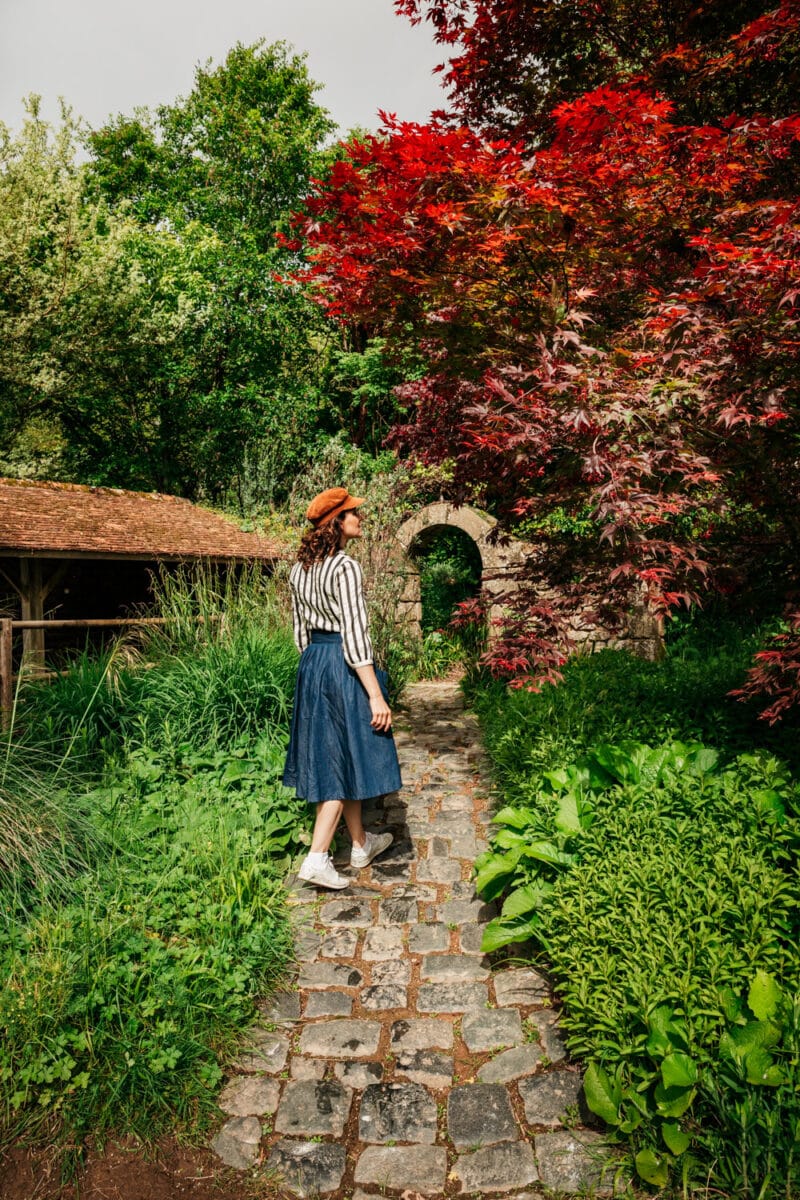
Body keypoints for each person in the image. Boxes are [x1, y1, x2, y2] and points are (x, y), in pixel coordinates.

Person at [283, 487, 402, 889]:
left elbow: (300, 633)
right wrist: (374, 693)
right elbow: (355, 636)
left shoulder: (298, 570)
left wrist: (315, 666)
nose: (359, 518)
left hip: (313, 663)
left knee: (340, 751)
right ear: (336, 523)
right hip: (342, 664)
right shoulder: (345, 567)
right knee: (336, 759)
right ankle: (317, 858)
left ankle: (360, 844)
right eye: (353, 513)